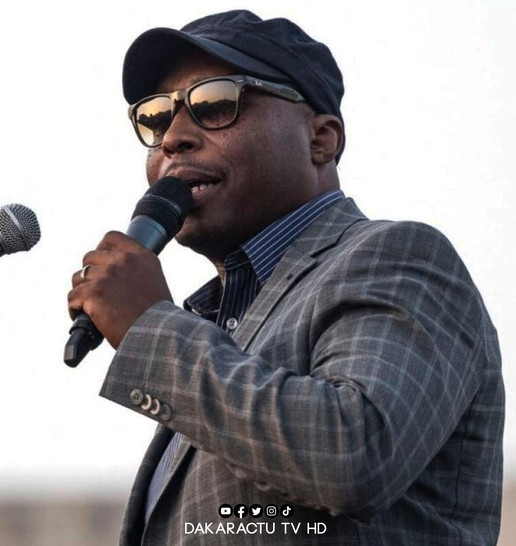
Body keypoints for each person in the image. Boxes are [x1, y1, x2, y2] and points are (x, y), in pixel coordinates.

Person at [67, 10, 504, 545]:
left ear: (320, 139)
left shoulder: (399, 257)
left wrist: (151, 329)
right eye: (156, 117)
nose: (174, 138)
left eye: (215, 103)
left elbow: (354, 453)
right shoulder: (220, 329)